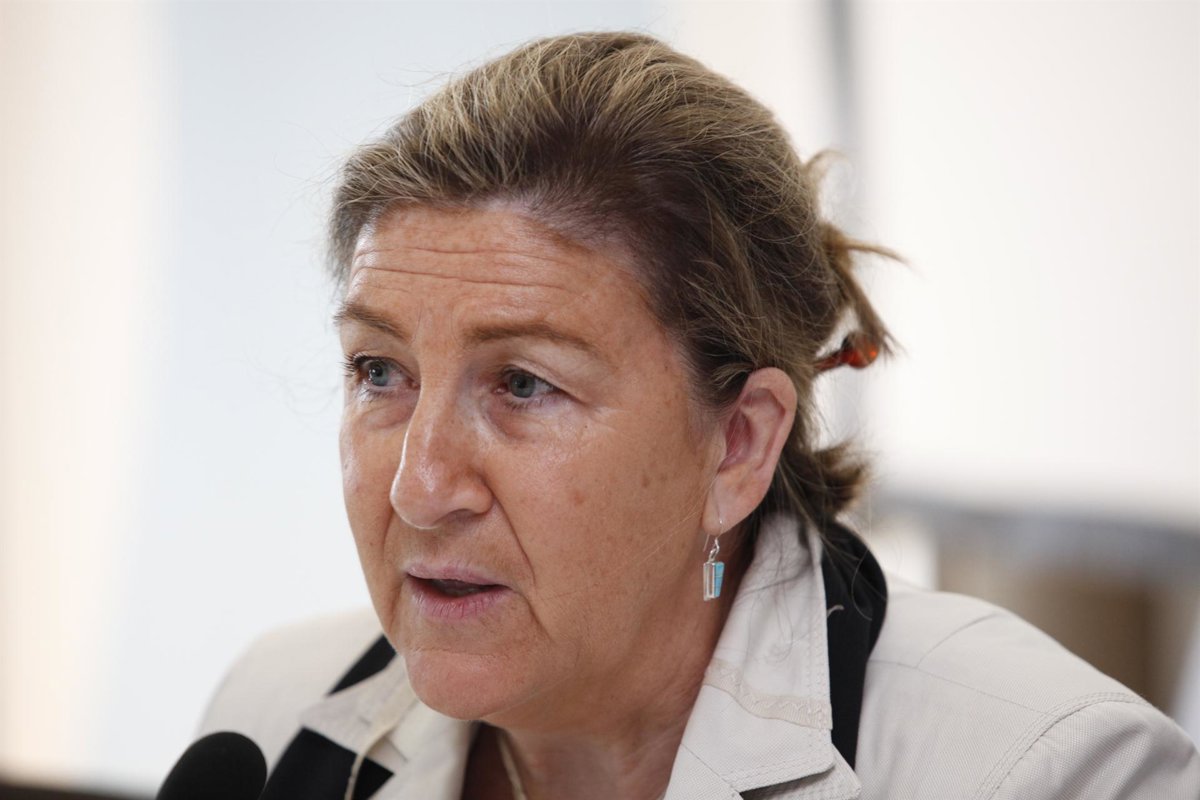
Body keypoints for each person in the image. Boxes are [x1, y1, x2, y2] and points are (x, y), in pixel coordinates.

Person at [198, 31, 1200, 799]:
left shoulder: (1049, 770)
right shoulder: (272, 712)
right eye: (379, 371)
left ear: (737, 444)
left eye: (524, 385)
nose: (420, 488)